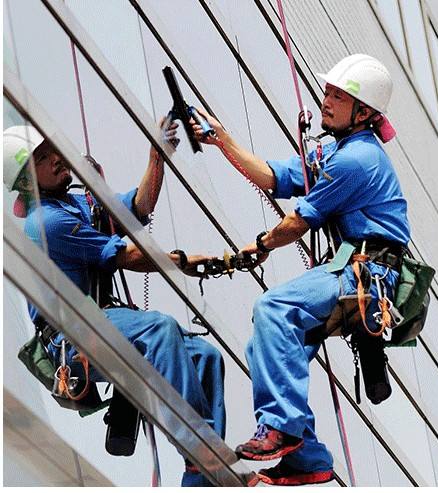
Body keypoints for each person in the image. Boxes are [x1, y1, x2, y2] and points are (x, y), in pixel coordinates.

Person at [191, 53, 410, 486]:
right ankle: (307, 458)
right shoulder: (336, 150)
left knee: (274, 309)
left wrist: (260, 246)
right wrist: (224, 141)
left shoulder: (358, 160)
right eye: (327, 92)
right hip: (353, 265)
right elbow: (274, 177)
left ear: (362, 113)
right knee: (264, 348)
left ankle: (283, 429)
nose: (326, 101)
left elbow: (298, 221)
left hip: (368, 271)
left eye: (338, 97)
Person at [2, 122, 226, 487]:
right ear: (27, 181)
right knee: (159, 328)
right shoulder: (46, 222)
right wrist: (181, 261)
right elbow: (124, 256)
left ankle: (200, 472)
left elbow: (136, 208)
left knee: (205, 355)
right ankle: (201, 448)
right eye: (42, 158)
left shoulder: (75, 201)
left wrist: (157, 157)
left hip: (102, 321)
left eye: (52, 149)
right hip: (71, 338)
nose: (57, 160)